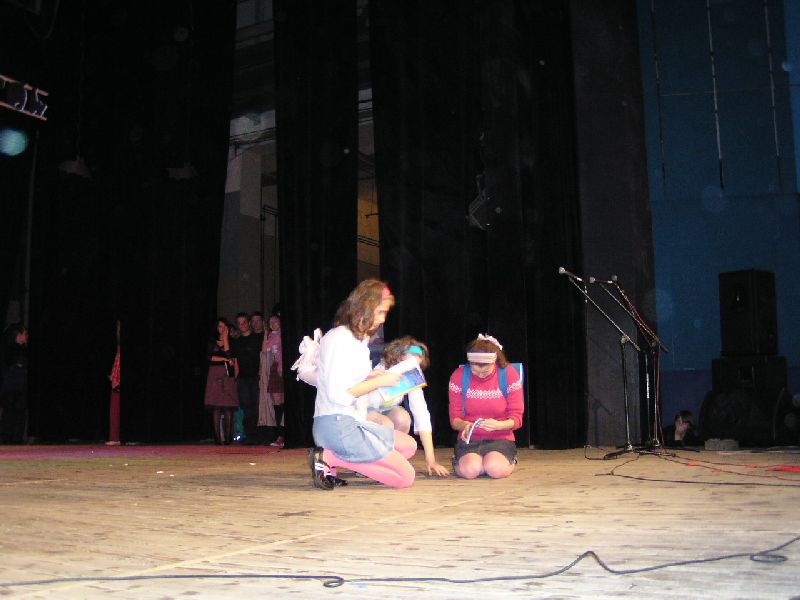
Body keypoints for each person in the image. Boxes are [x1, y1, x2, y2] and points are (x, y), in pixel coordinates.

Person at [309, 279, 417, 490]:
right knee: (406, 477)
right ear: (365, 307)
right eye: (380, 312)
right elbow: (339, 395)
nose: (383, 319)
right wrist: (378, 381)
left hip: (353, 421)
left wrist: (371, 377)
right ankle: (329, 457)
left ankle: (339, 460)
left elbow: (349, 380)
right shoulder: (340, 339)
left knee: (408, 446)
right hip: (337, 424)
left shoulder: (357, 340)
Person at [365, 336, 449, 476]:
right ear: (397, 359)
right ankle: (370, 462)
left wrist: (431, 460)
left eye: (417, 365)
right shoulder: (378, 369)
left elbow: (421, 413)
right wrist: (382, 380)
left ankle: (390, 461)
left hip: (385, 410)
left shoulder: (412, 376)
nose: (413, 369)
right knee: (385, 424)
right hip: (363, 409)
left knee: (402, 418)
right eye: (410, 364)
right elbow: (363, 399)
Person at [448, 334, 524, 479]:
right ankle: (468, 462)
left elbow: (517, 418)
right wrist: (465, 425)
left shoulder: (509, 374)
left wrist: (498, 425)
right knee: (470, 470)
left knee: (495, 469)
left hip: (501, 438)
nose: (480, 374)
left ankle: (503, 461)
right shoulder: (458, 376)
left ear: (495, 362)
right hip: (470, 440)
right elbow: (454, 419)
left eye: (486, 370)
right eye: (475, 370)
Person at [204, 318, 239, 445]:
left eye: (224, 327)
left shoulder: (232, 341)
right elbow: (209, 357)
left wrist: (226, 339)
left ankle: (228, 438)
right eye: (220, 326)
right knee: (216, 407)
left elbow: (230, 355)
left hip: (227, 374)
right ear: (216, 328)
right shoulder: (212, 341)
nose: (222, 329)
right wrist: (223, 359)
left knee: (228, 406)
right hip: (214, 374)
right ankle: (217, 439)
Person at [230, 312, 262, 443]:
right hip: (243, 378)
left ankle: (258, 435)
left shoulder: (257, 338)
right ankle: (249, 435)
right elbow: (236, 362)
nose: (242, 325)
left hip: (256, 377)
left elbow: (262, 358)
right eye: (239, 323)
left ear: (248, 323)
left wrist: (260, 375)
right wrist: (235, 379)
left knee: (257, 406)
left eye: (244, 322)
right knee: (245, 407)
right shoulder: (236, 342)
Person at [0, 323, 29, 444]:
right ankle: (7, 437)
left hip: (21, 386)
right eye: (25, 334)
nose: (27, 336)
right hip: (11, 386)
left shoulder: (24, 349)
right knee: (9, 411)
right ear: (19, 335)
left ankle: (17, 438)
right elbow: (14, 365)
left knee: (20, 412)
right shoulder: (10, 349)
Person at [263, 314, 285, 448]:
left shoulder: (283, 334)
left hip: (284, 368)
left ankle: (284, 435)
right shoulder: (271, 336)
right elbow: (264, 350)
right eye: (270, 322)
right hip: (276, 368)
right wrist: (266, 333)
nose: (273, 324)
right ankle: (279, 435)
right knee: (277, 403)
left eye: (275, 321)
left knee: (283, 402)